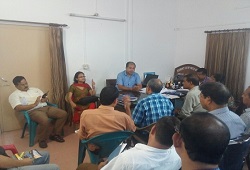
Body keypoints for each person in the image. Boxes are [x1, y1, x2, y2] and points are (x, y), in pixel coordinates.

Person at [77, 116, 182, 170]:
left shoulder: (128, 158)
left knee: (83, 167)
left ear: (153, 130)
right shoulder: (179, 157)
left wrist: (102, 166)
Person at [8, 76, 67, 148]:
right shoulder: (14, 95)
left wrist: (45, 99)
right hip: (33, 111)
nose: (26, 85)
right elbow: (18, 108)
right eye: (23, 85)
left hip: (45, 107)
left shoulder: (35, 89)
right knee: (44, 120)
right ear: (16, 86)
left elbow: (46, 98)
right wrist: (34, 104)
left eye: (26, 83)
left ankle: (55, 134)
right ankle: (41, 140)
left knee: (63, 114)